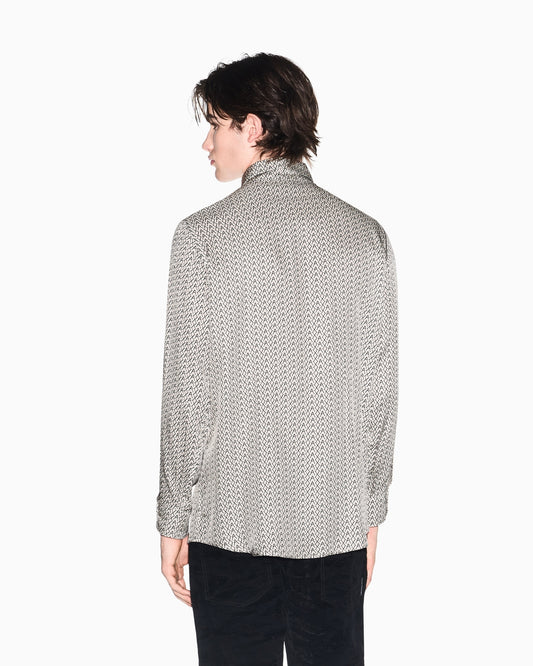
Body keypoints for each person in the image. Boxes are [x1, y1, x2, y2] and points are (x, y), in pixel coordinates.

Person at [156, 52, 399, 665]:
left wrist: (172, 519)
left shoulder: (203, 237)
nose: (207, 143)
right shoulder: (365, 236)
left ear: (254, 127)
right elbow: (378, 394)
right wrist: (371, 512)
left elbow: (188, 393)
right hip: (333, 527)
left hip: (230, 525)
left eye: (216, 125)